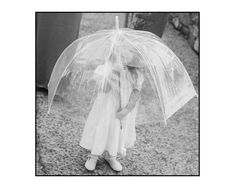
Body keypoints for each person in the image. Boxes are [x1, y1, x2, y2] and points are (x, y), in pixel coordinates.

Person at [79, 54, 144, 172]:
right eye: (124, 54)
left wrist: (127, 109)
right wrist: (113, 73)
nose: (126, 58)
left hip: (122, 109)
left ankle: (111, 155)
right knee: (102, 127)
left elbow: (136, 93)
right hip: (106, 105)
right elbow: (103, 88)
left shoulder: (137, 75)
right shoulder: (109, 67)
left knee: (116, 131)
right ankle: (94, 155)